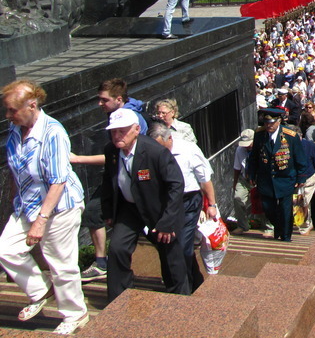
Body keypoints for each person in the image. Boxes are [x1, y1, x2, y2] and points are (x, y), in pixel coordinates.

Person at [0, 80, 88, 335]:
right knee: (6, 248)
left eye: (12, 110)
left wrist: (41, 220)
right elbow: (16, 171)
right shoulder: (16, 128)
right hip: (27, 204)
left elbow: (58, 181)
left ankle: (75, 314)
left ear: (32, 105)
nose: (8, 116)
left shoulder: (52, 133)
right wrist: (14, 205)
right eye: (7, 110)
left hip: (60, 205)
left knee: (60, 262)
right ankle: (41, 290)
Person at [101, 108, 189, 302]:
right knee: (117, 248)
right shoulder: (111, 151)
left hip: (158, 208)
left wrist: (167, 221)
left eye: (122, 131)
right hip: (129, 208)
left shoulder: (154, 151)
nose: (117, 136)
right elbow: (108, 180)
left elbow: (176, 185)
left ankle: (180, 297)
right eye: (113, 131)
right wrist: (108, 210)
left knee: (170, 253)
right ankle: (119, 296)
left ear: (136, 130)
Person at [71, 78, 150, 284]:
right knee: (96, 215)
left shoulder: (132, 120)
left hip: (136, 183)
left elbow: (120, 154)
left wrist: (79, 159)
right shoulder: (115, 116)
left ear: (118, 99)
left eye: (103, 100)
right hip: (120, 180)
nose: (100, 104)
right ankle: (103, 262)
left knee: (157, 234)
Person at [148, 120, 217, 292]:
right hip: (164, 202)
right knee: (169, 245)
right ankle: (191, 281)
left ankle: (182, 289)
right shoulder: (150, 151)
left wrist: (212, 204)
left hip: (188, 201)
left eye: (162, 146)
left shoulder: (188, 149)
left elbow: (204, 178)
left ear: (169, 138)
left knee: (182, 246)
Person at [248, 107, 310, 242]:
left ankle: (286, 237)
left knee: (285, 209)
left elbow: (299, 157)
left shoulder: (290, 136)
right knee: (268, 208)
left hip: (286, 178)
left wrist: (301, 177)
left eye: (271, 123)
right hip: (266, 179)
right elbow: (253, 157)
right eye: (266, 122)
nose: (268, 125)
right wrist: (251, 174)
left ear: (279, 121)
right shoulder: (259, 134)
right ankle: (279, 228)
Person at [231, 129, 265, 235]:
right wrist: (235, 182)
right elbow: (237, 167)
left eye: (249, 144)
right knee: (238, 198)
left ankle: (267, 225)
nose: (247, 147)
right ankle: (242, 225)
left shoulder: (262, 148)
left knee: (263, 201)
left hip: (259, 178)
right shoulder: (240, 150)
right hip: (244, 178)